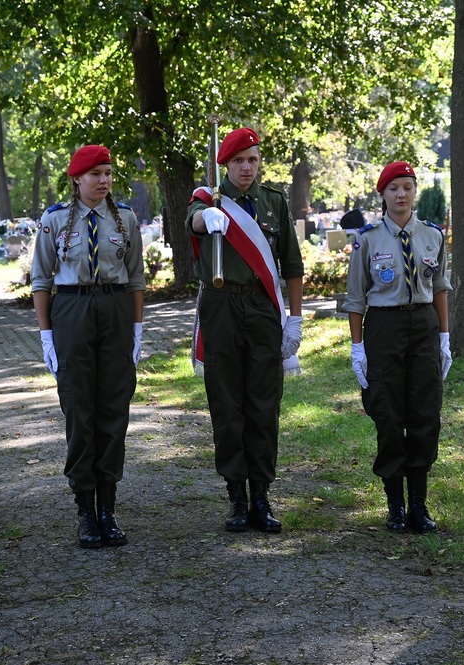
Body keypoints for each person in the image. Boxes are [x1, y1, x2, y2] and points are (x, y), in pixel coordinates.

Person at [186, 127, 304, 534]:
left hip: (261, 308)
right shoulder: (210, 200)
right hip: (222, 306)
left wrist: (296, 317)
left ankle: (262, 495)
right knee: (227, 403)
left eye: (253, 160)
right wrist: (208, 219)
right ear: (226, 164)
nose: (247, 168)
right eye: (239, 161)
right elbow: (194, 223)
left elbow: (291, 264)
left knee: (264, 402)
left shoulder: (273, 202)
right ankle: (236, 497)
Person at [30, 145, 145, 549]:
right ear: (77, 178)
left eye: (109, 173)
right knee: (80, 412)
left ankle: (108, 509)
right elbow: (42, 280)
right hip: (72, 311)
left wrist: (137, 328)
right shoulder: (55, 220)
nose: (104, 180)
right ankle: (85, 509)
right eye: (95, 173)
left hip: (114, 309)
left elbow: (135, 280)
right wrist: (47, 335)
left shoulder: (126, 218)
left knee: (114, 411)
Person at [343, 161, 453, 534]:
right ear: (383, 195)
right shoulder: (368, 239)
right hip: (384, 327)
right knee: (387, 414)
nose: (401, 195)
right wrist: (358, 347)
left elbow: (439, 288)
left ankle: (419, 506)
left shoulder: (432, 236)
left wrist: (444, 336)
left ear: (414, 191)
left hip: (423, 325)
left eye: (407, 187)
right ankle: (395, 505)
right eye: (393, 189)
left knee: (424, 413)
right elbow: (356, 298)